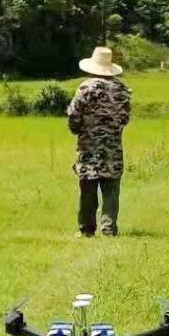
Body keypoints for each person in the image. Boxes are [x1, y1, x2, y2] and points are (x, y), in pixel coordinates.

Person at [66, 47, 131, 238]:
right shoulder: (122, 90)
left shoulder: (85, 88)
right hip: (113, 148)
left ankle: (87, 229)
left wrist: (78, 130)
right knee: (111, 188)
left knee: (88, 187)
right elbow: (125, 118)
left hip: (89, 147)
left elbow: (74, 115)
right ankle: (109, 228)